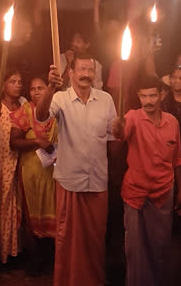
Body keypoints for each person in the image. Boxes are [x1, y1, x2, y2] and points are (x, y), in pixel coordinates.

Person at [36, 53, 118, 286]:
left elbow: (114, 138)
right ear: (70, 73)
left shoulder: (106, 100)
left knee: (94, 240)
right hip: (69, 181)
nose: (86, 74)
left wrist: (122, 130)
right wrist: (50, 87)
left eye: (90, 70)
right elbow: (41, 117)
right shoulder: (60, 98)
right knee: (68, 240)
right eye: (81, 69)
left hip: (98, 181)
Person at [113, 76, 181, 286]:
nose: (148, 100)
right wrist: (117, 127)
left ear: (162, 95)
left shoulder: (172, 122)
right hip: (135, 191)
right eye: (144, 96)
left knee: (160, 247)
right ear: (138, 96)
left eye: (153, 95)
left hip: (164, 191)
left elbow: (177, 160)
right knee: (135, 250)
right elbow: (120, 134)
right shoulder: (132, 117)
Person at [9, 76, 57, 272]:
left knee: (57, 215)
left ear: (49, 90)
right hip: (31, 173)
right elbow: (14, 143)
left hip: (55, 173)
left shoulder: (57, 109)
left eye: (41, 88)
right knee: (31, 218)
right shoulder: (25, 112)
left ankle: (55, 262)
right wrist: (37, 141)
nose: (37, 92)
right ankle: (35, 262)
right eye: (33, 89)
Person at [0, 69, 25, 264]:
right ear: (3, 85)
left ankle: (15, 251)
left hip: (20, 162)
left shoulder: (24, 105)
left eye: (19, 81)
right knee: (1, 206)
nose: (18, 85)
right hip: (2, 162)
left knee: (16, 206)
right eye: (13, 81)